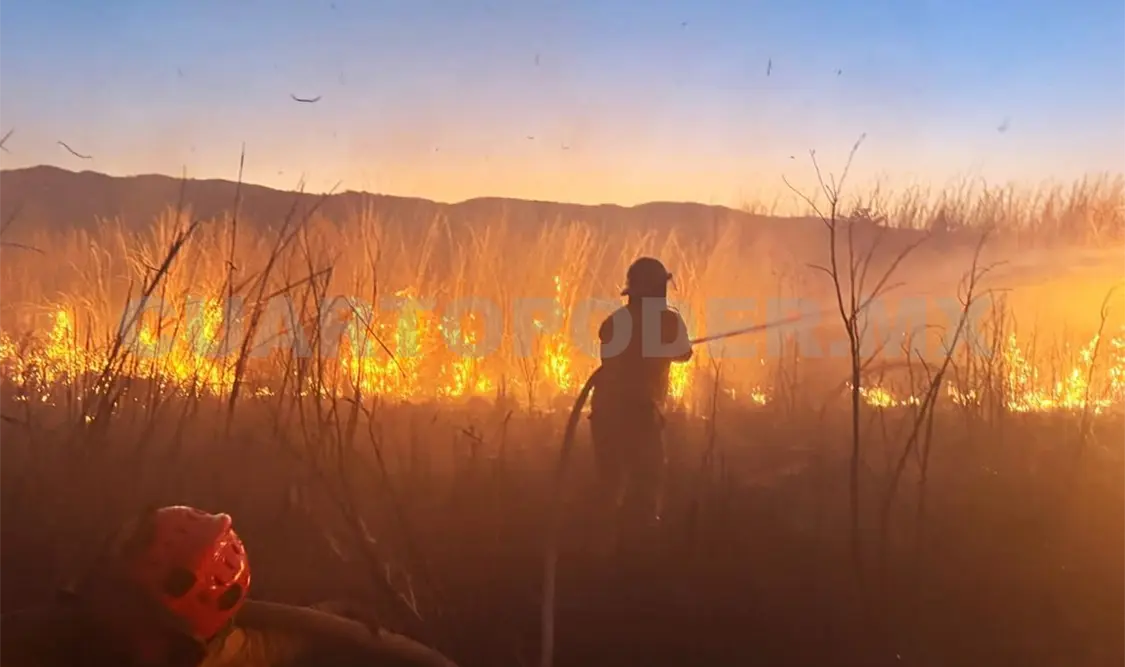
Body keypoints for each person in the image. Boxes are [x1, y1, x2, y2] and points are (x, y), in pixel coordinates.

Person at [0, 505, 457, 667]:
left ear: (191, 640)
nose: (112, 622)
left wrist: (336, 617)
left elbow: (276, 642)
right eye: (113, 598)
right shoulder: (48, 644)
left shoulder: (227, 653)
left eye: (137, 614)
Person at [589, 257, 692, 529]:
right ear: (659, 290)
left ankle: (601, 543)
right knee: (647, 482)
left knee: (609, 484)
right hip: (641, 414)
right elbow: (684, 353)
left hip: (604, 415)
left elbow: (610, 358)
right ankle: (638, 546)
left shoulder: (614, 321)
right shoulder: (668, 320)